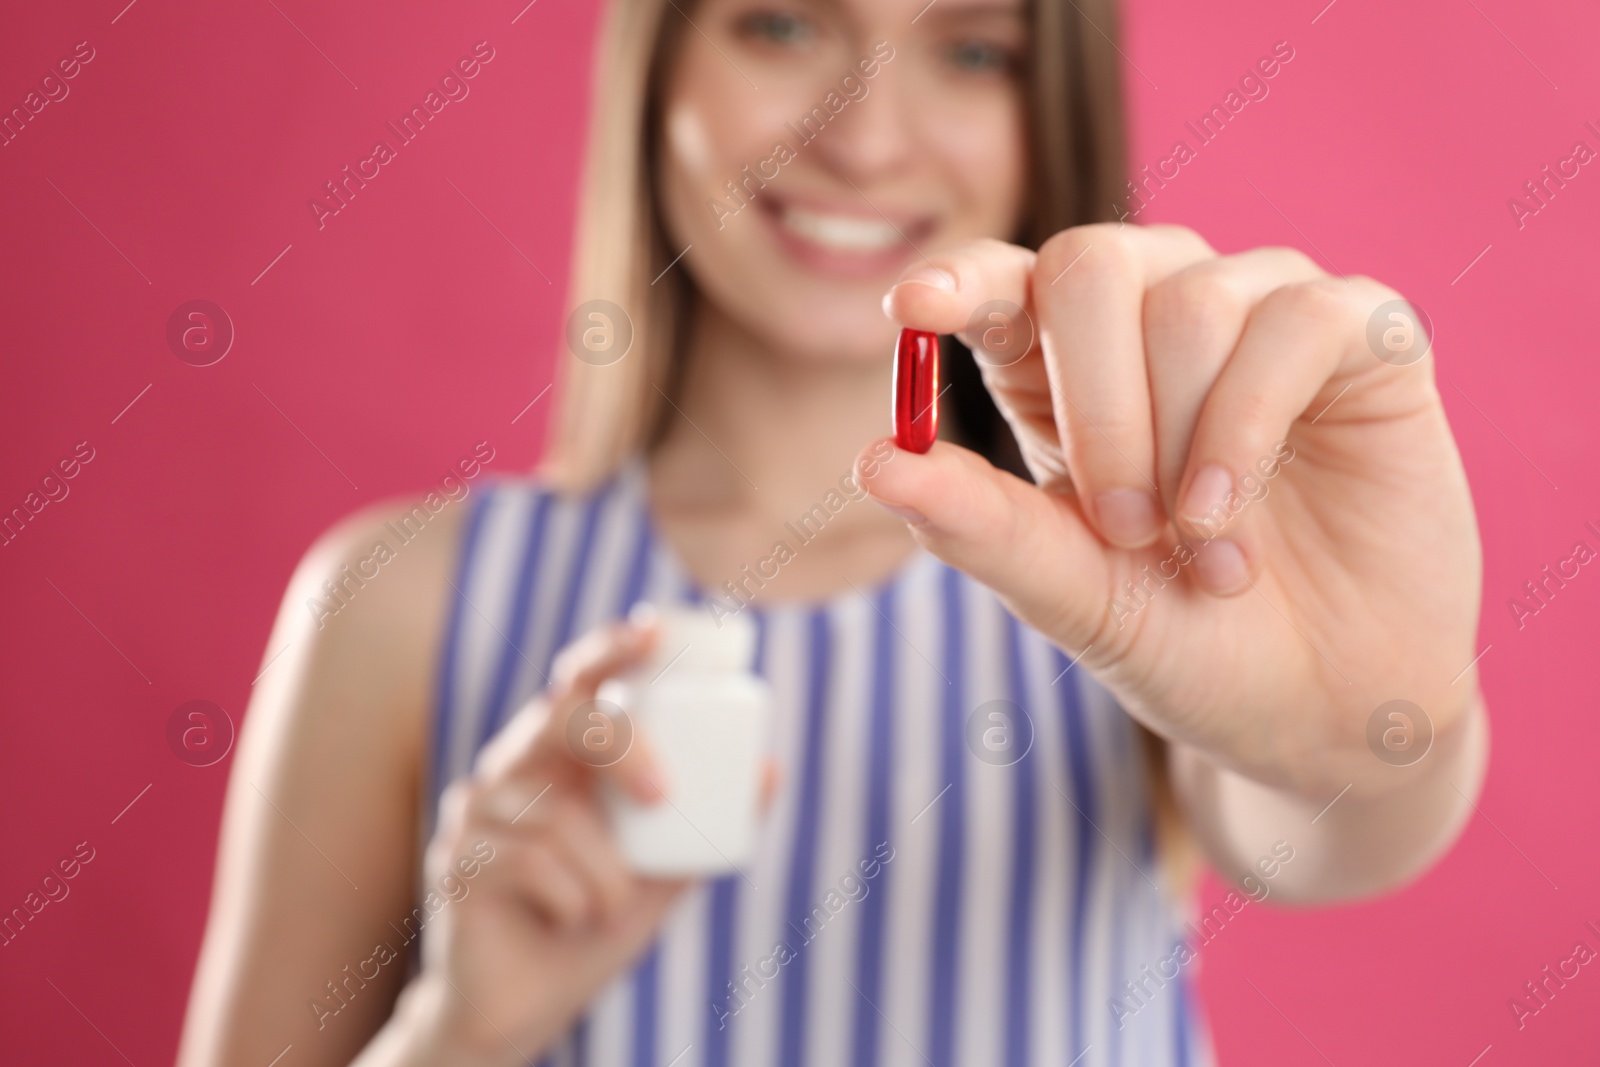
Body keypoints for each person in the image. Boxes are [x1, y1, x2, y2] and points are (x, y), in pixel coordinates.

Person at [176, 0, 1489, 1064]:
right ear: (659, 62)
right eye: (782, 25)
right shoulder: (402, 600)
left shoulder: (1139, 574)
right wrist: (462, 1032)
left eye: (974, 50)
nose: (864, 140)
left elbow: (1318, 824)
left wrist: (1379, 730)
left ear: (1050, 117)